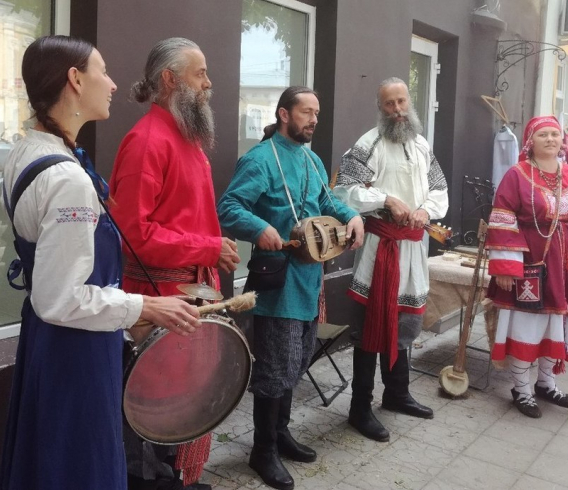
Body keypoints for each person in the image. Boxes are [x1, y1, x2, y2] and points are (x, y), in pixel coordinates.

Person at [0, 36, 203, 490]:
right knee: (80, 465)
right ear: (74, 80)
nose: (112, 84)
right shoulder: (66, 177)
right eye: (102, 71)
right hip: (75, 350)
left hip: (47, 341)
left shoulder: (26, 152)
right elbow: (61, 299)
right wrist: (147, 308)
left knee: (48, 460)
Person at [109, 38, 240, 490]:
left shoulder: (186, 139)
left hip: (189, 296)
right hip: (158, 303)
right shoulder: (146, 141)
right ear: (170, 80)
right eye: (200, 73)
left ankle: (174, 479)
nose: (209, 83)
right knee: (152, 416)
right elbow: (134, 238)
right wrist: (208, 248)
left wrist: (212, 245)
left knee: (180, 410)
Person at [217, 86, 363, 490]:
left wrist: (352, 216)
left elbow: (328, 203)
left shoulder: (313, 160)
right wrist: (260, 227)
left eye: (317, 112)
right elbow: (228, 208)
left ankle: (279, 434)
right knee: (275, 368)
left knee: (296, 363)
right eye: (306, 112)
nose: (314, 119)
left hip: (309, 282)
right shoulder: (260, 159)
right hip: (277, 283)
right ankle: (262, 450)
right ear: (284, 114)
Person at [333, 78, 449, 441]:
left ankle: (396, 394)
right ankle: (360, 408)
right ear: (379, 107)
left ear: (409, 103)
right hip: (380, 249)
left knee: (406, 326)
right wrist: (386, 200)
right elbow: (344, 189)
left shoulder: (420, 143)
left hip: (413, 247)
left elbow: (439, 189)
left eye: (401, 102)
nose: (397, 110)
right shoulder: (369, 144)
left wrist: (425, 211)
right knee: (371, 327)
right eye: (389, 104)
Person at [485, 116, 568, 419]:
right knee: (529, 322)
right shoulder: (517, 174)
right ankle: (521, 390)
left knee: (558, 322)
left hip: (567, 263)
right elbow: (502, 218)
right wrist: (506, 268)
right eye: (544, 135)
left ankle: (546, 383)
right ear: (530, 141)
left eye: (556, 134)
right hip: (530, 262)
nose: (551, 139)